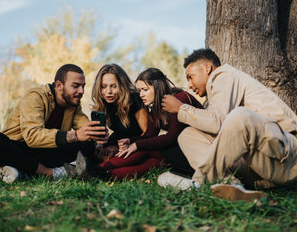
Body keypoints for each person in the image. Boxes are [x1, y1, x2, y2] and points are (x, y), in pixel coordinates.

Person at [160, 48, 297, 201]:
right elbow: (214, 124)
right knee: (187, 135)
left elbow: (216, 122)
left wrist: (181, 108)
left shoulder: (224, 75)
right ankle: (228, 186)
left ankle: (199, 181)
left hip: (287, 159)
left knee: (240, 116)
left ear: (207, 68)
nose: (190, 85)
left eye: (191, 77)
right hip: (258, 173)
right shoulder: (215, 98)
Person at [0, 64, 107, 183]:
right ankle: (49, 173)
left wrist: (97, 135)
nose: (81, 91)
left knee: (88, 146)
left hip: (44, 152)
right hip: (19, 148)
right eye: (75, 86)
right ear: (59, 85)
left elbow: (84, 127)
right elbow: (32, 137)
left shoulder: (72, 103)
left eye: (83, 86)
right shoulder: (35, 97)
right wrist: (76, 135)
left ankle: (19, 170)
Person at [75, 68, 203, 180]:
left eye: (144, 90)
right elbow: (148, 135)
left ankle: (96, 169)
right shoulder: (155, 108)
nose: (140, 94)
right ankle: (103, 174)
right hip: (177, 152)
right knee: (151, 162)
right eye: (139, 90)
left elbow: (171, 137)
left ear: (157, 87)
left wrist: (136, 145)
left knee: (145, 150)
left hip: (196, 152)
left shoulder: (180, 98)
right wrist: (129, 141)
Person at [91, 63, 149, 147]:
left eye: (114, 86)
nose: (108, 91)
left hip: (138, 143)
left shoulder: (135, 99)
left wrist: (129, 145)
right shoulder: (104, 103)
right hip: (118, 142)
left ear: (122, 86)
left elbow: (147, 134)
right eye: (103, 87)